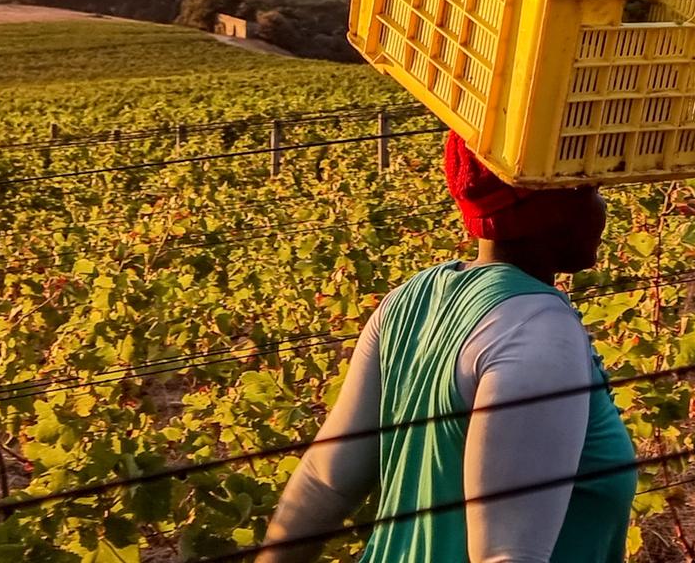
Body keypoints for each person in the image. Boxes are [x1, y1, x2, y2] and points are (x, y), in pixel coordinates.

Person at [255, 131, 635, 562]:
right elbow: (508, 555)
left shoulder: (411, 299)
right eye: (591, 190)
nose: (602, 207)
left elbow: (325, 482)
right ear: (554, 206)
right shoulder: (538, 329)